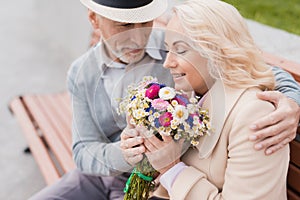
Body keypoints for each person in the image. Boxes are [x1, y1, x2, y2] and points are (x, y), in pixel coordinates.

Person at [31, 0, 300, 199]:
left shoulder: (171, 45)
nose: (137, 37)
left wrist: (293, 100)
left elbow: (246, 63)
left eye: (145, 22)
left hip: (157, 183)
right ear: (94, 20)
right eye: (124, 26)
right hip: (108, 177)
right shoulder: (82, 72)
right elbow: (82, 151)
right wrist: (127, 154)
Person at [121, 0, 299, 199]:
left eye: (180, 50)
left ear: (217, 52)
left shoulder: (254, 116)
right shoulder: (190, 97)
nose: (167, 63)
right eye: (167, 49)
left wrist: (171, 169)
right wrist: (146, 152)